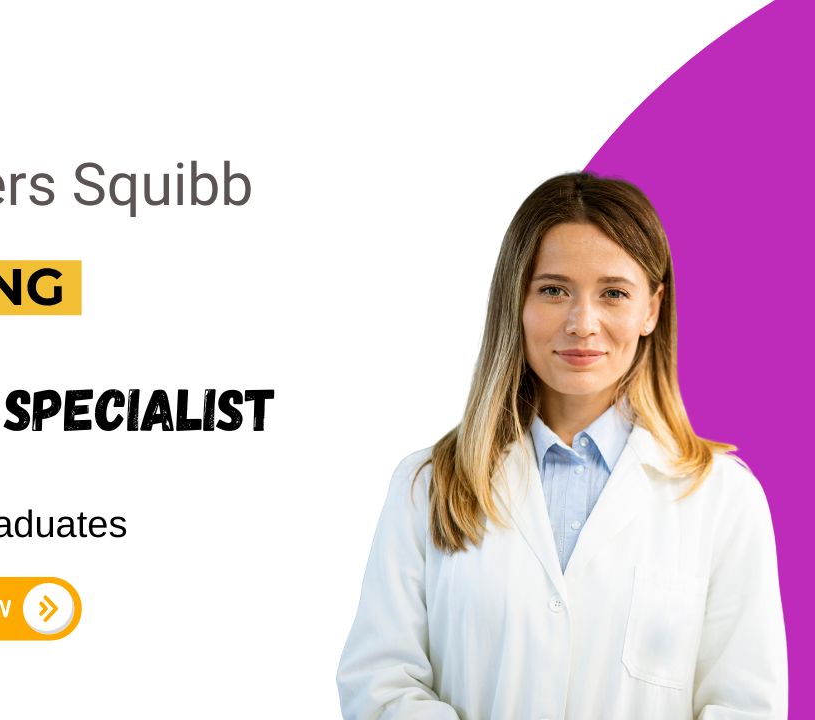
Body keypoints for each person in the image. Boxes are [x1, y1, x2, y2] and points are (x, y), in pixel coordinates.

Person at [336, 173, 786, 719]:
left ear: (651, 309)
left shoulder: (723, 498)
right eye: (554, 290)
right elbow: (380, 686)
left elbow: (743, 707)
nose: (582, 324)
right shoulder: (428, 485)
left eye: (613, 293)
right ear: (516, 301)